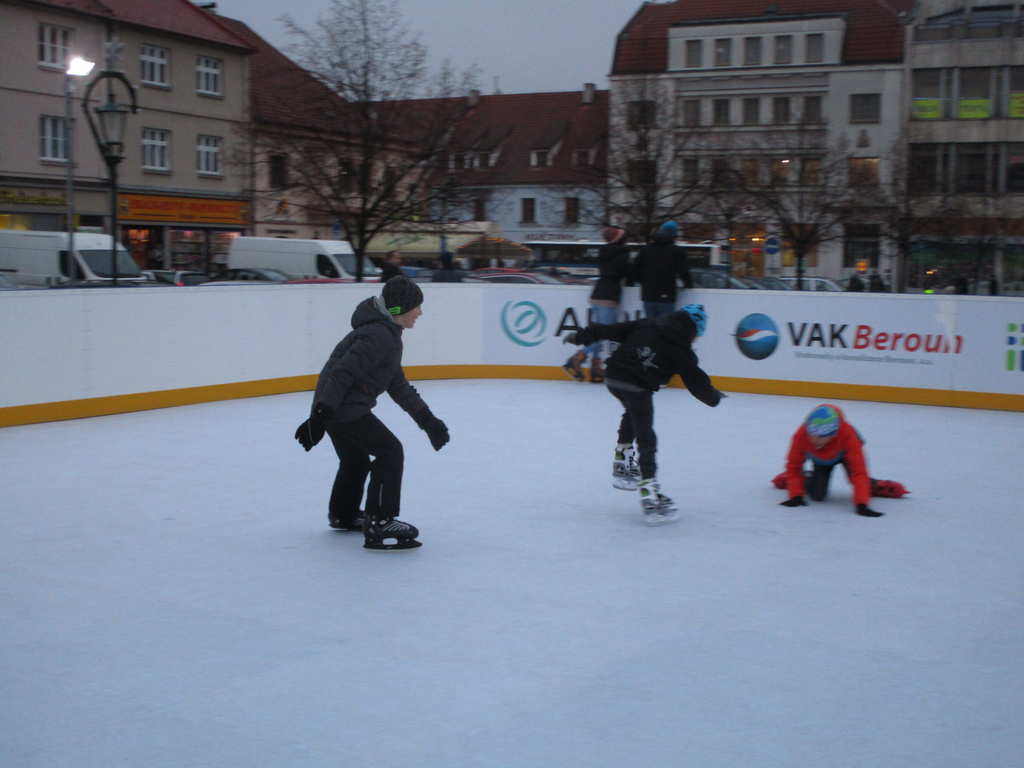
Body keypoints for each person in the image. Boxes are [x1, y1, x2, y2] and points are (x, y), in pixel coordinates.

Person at [294, 276, 450, 550]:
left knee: (355, 461)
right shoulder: (379, 336)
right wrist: (321, 415)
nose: (420, 312)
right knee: (390, 451)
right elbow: (343, 373)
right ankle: (380, 521)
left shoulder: (385, 334)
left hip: (334, 408)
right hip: (341, 409)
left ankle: (344, 514)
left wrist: (428, 421)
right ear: (400, 309)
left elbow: (397, 385)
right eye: (416, 307)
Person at [563, 304, 723, 525]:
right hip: (637, 387)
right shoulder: (683, 352)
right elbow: (696, 381)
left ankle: (623, 462)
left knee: (632, 414)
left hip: (613, 378)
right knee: (647, 437)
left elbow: (611, 330)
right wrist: (713, 398)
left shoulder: (648, 324)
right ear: (694, 330)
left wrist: (580, 335)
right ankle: (649, 492)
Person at [773, 404, 909, 518]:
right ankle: (798, 480)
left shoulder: (848, 436)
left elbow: (859, 472)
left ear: (833, 434)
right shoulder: (801, 436)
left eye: (821, 436)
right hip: (821, 460)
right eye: (811, 432)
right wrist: (796, 495)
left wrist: (862, 504)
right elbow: (793, 466)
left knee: (857, 480)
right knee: (817, 495)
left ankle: (874, 486)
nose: (815, 439)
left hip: (845, 455)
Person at [563, 226, 631, 383]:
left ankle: (595, 369)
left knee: (597, 333)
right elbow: (626, 272)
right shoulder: (622, 253)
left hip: (597, 295)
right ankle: (576, 359)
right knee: (604, 334)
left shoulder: (604, 251)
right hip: (609, 297)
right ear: (619, 239)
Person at [629, 221, 692, 319]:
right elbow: (684, 272)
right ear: (674, 235)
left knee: (650, 327)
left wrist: (644, 282)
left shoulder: (645, 250)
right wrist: (688, 285)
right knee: (664, 328)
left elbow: (634, 270)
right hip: (667, 296)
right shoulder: (677, 251)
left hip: (648, 295)